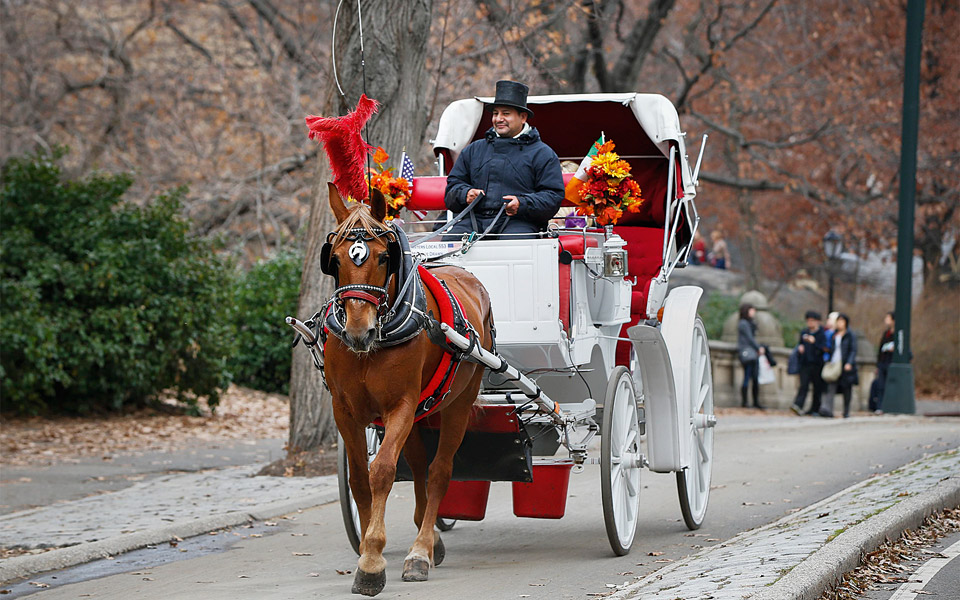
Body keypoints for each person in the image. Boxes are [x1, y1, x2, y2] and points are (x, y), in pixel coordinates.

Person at [443, 80, 564, 237]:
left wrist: (522, 204)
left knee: (514, 246)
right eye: (495, 113)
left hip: (520, 223)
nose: (499, 118)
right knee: (449, 242)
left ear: (523, 117)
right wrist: (465, 194)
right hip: (473, 222)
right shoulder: (473, 150)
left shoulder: (543, 154)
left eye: (506, 113)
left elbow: (553, 197)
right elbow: (451, 190)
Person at [790, 310, 829, 416]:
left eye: (812, 321)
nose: (810, 323)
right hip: (805, 363)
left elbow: (824, 348)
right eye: (808, 321)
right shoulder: (804, 332)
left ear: (817, 322)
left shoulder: (822, 334)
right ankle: (798, 405)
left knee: (817, 387)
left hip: (817, 363)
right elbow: (800, 344)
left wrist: (814, 342)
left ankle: (815, 409)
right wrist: (800, 348)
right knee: (803, 385)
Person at [831, 313, 859, 418]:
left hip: (845, 364)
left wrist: (849, 362)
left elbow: (853, 350)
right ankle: (828, 409)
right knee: (832, 386)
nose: (840, 323)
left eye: (842, 321)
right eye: (838, 321)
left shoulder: (850, 335)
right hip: (834, 363)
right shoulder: (834, 334)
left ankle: (846, 410)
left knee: (847, 388)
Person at [737, 303, 765, 409]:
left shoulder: (749, 323)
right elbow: (749, 338)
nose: (754, 312)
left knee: (755, 378)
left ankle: (755, 402)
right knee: (747, 377)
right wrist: (758, 348)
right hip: (748, 354)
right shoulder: (743, 323)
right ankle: (745, 402)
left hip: (752, 354)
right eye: (752, 310)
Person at [869, 311, 895, 414]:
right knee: (880, 385)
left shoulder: (899, 334)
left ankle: (890, 406)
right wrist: (878, 365)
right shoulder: (886, 333)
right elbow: (880, 350)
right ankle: (879, 407)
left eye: (888, 318)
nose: (886, 320)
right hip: (883, 363)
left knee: (891, 386)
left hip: (891, 363)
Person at [819, 312, 840, 417]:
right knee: (825, 386)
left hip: (835, 363)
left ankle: (827, 408)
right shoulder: (826, 332)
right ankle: (824, 408)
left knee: (831, 386)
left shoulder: (837, 334)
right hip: (826, 361)